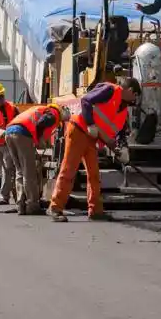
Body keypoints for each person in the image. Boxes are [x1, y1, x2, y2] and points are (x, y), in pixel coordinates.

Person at [48, 78, 141, 222]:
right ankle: (55, 208)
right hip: (78, 131)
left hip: (92, 139)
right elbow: (85, 100)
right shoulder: (110, 90)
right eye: (135, 95)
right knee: (68, 171)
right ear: (129, 91)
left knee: (94, 175)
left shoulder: (123, 112)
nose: (135, 99)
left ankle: (95, 211)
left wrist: (122, 150)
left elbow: (119, 134)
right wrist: (91, 124)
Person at [5, 103, 69, 216]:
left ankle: (20, 205)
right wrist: (39, 138)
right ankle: (32, 205)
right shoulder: (52, 113)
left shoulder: (38, 109)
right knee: (29, 172)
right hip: (22, 134)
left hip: (9, 132)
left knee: (20, 171)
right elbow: (41, 123)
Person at [0, 82, 20, 209]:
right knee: (2, 171)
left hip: (8, 144)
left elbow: (18, 123)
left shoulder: (12, 107)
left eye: (1, 95)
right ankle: (9, 194)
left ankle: (5, 196)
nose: (0, 98)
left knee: (7, 170)